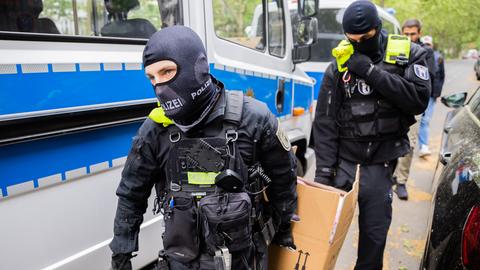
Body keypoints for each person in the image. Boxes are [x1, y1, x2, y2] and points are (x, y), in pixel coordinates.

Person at [109, 26, 297, 270]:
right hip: (180, 262)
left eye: (167, 71)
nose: (159, 87)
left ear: (196, 67)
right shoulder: (155, 130)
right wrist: (121, 255)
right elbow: (130, 195)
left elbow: (284, 180)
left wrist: (283, 231)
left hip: (243, 261)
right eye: (152, 78)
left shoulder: (253, 118)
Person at [313, 2, 430, 269]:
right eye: (351, 40)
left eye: (365, 39)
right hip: (344, 160)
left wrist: (369, 71)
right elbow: (326, 122)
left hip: (381, 160)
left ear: (377, 29)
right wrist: (323, 175)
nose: (358, 44)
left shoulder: (408, 53)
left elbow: (417, 101)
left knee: (374, 238)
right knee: (322, 235)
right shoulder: (339, 64)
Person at [393, 19, 435, 200]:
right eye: (406, 33)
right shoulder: (393, 49)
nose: (409, 37)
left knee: (408, 145)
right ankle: (390, 177)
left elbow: (428, 81)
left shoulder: (424, 53)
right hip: (393, 104)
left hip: (413, 107)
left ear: (419, 33)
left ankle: (401, 181)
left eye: (413, 34)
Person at [418, 35, 445, 157]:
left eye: (429, 44)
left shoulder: (439, 58)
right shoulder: (418, 55)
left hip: (431, 95)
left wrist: (437, 94)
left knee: (425, 120)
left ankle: (423, 146)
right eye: (426, 44)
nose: (428, 47)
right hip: (419, 93)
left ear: (432, 45)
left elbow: (441, 77)